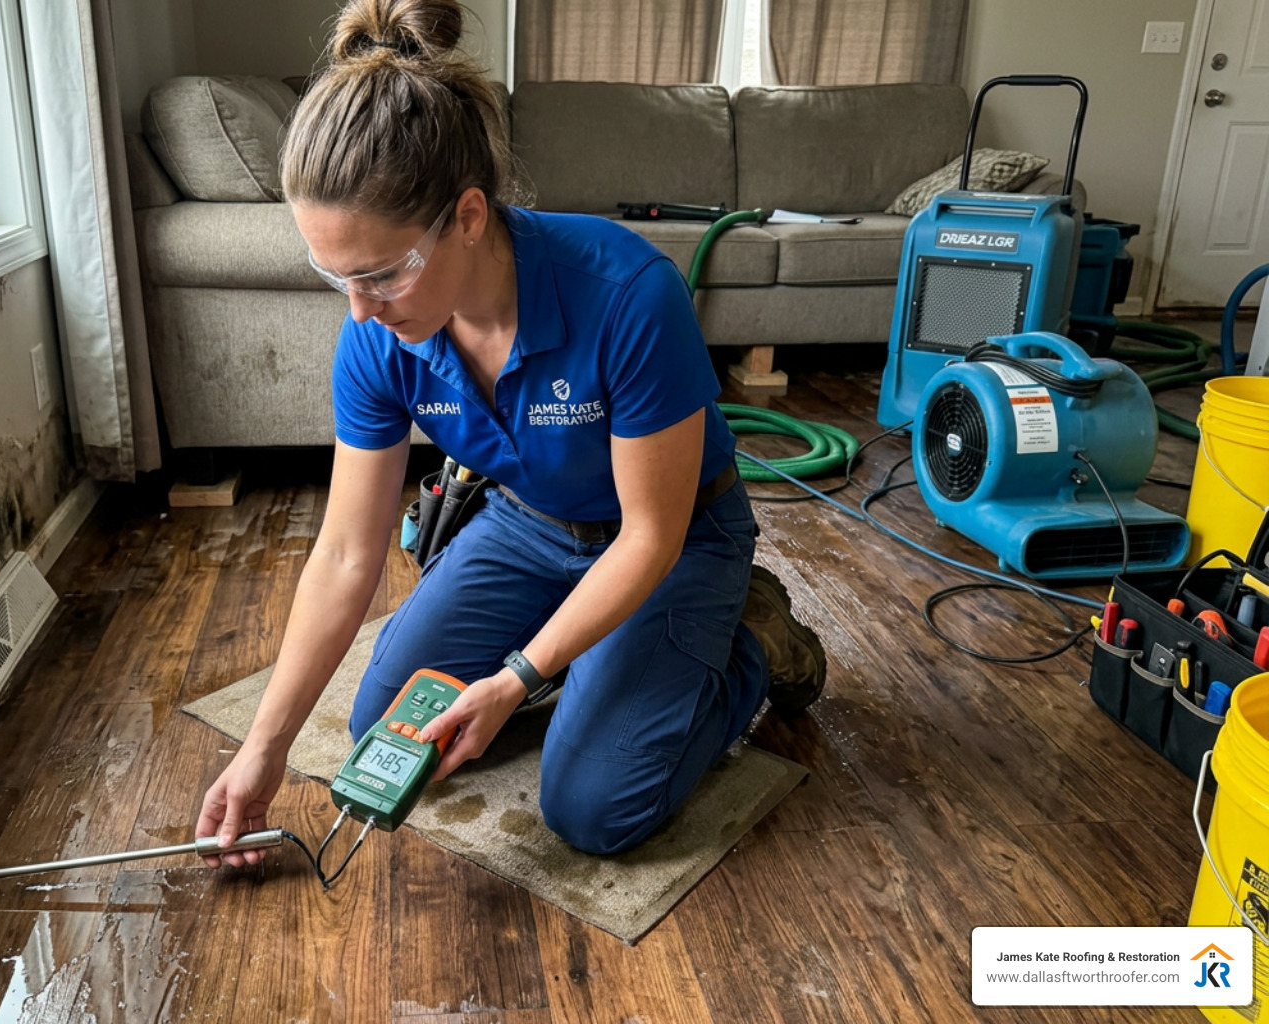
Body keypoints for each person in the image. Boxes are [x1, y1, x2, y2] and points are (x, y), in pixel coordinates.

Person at [195, 0, 827, 864]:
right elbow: (346, 553)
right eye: (334, 275)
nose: (360, 312)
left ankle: (748, 645)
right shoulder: (376, 336)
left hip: (672, 541)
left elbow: (649, 534)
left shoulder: (628, 293)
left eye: (380, 274)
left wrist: (518, 676)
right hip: (529, 524)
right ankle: (588, 667)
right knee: (390, 732)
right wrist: (261, 749)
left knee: (593, 807)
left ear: (465, 216)